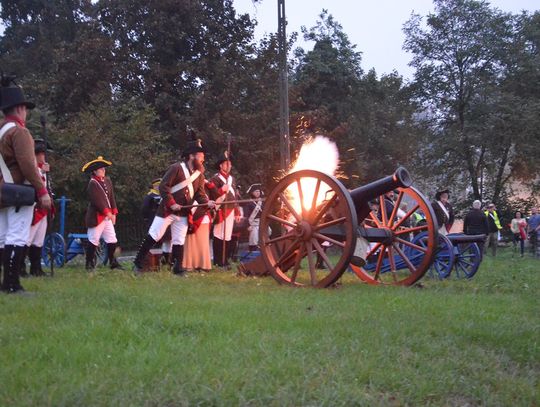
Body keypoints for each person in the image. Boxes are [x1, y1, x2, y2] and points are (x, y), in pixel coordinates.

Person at [132, 136, 215, 275]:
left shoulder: (199, 175)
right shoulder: (176, 168)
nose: (203, 160)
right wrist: (172, 203)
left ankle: (178, 269)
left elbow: (199, 195)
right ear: (191, 156)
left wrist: (207, 203)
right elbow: (164, 186)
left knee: (179, 240)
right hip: (167, 211)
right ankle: (138, 264)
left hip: (183, 213)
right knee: (154, 235)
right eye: (201, 156)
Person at [0, 77, 51, 293]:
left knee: (3, 236)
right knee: (17, 236)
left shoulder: (1, 131)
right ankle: (12, 284)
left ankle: (5, 283)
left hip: (2, 190)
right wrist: (42, 190)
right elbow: (28, 165)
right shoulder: (19, 132)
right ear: (20, 109)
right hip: (18, 192)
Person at [82, 156, 122, 271]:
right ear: (95, 171)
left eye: (104, 169)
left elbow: (111, 198)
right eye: (101, 169)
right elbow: (97, 201)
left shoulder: (107, 181)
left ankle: (113, 262)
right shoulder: (92, 183)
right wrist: (107, 212)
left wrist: (114, 212)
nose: (104, 170)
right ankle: (89, 264)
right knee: (93, 240)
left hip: (107, 217)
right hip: (96, 217)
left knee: (112, 239)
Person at [25, 139, 55, 276]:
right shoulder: (32, 170)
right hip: (34, 207)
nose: (45, 157)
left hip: (44, 209)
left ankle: (36, 268)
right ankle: (19, 267)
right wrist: (42, 171)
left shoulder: (43, 170)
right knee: (28, 238)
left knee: (38, 240)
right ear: (36, 154)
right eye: (43, 154)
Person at [207, 151, 241, 268]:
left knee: (227, 236)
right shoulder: (215, 179)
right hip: (221, 210)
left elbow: (234, 197)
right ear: (221, 165)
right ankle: (218, 261)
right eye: (226, 164)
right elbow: (212, 196)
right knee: (218, 235)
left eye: (230, 164)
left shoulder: (232, 179)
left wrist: (237, 212)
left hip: (231, 210)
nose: (229, 166)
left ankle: (225, 260)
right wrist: (222, 190)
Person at [182, 200, 212, 272]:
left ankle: (203, 264)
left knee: (202, 244)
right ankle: (190, 264)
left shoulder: (203, 194)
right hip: (191, 219)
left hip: (202, 219)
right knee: (190, 243)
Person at [244, 183, 263, 252]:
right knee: (254, 240)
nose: (258, 193)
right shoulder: (249, 203)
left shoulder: (262, 201)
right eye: (256, 191)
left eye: (259, 191)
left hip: (262, 223)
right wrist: (248, 225)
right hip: (253, 223)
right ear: (252, 193)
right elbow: (246, 215)